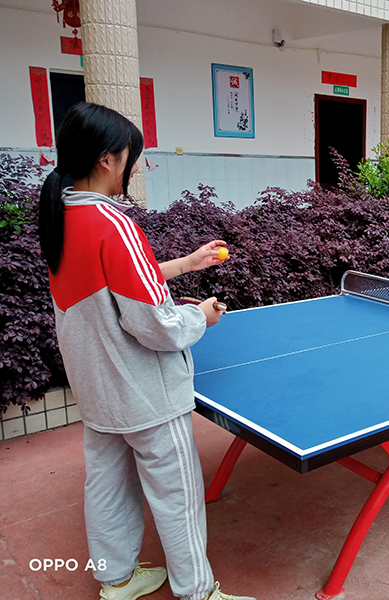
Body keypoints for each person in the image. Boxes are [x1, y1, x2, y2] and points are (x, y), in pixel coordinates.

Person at [38, 102, 255, 600]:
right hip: (146, 395)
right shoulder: (114, 224)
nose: (135, 166)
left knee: (107, 487)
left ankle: (115, 580)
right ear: (107, 160)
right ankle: (197, 591)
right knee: (178, 497)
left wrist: (187, 262)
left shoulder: (61, 215)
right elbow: (154, 325)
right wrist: (200, 315)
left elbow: (112, 288)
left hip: (97, 393)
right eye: (131, 157)